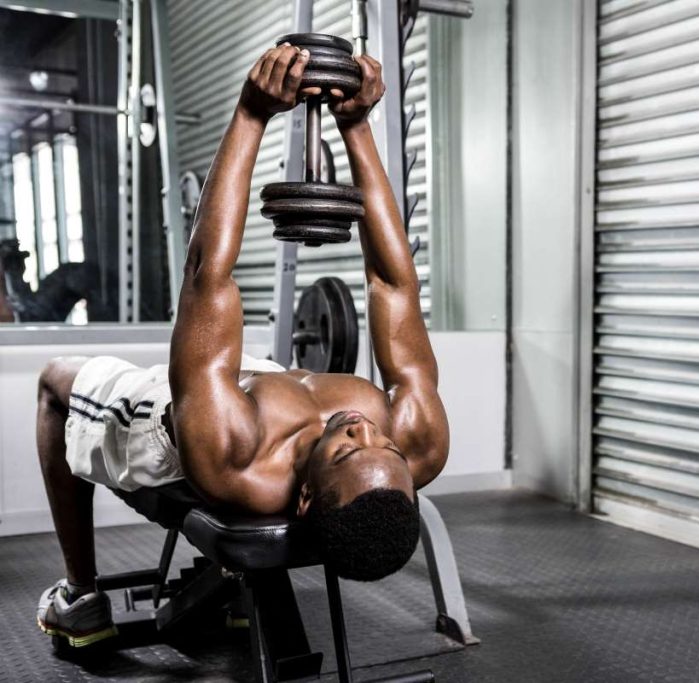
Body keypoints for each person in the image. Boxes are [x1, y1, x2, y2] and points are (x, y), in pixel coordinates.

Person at [35, 45, 448, 648]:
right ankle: (213, 587)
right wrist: (356, 125)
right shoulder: (417, 441)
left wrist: (252, 114)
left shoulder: (238, 457)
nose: (362, 425)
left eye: (346, 449)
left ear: (304, 496)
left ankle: (80, 596)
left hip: (171, 418)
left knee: (53, 383)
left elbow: (208, 275)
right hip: (258, 380)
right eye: (380, 440)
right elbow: (394, 285)